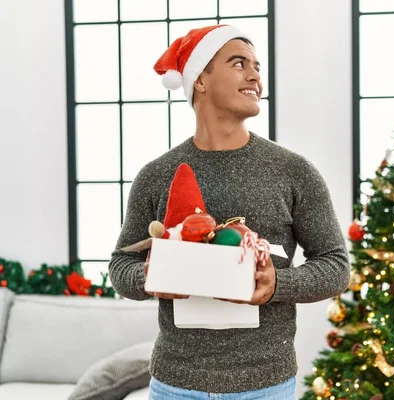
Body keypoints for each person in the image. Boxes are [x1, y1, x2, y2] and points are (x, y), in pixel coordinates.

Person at [108, 24, 351, 399]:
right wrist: (148, 275)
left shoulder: (293, 171)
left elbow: (336, 266)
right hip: (175, 385)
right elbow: (120, 265)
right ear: (200, 80)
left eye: (256, 66)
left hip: (265, 386)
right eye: (239, 63)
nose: (255, 75)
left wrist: (277, 286)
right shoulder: (156, 175)